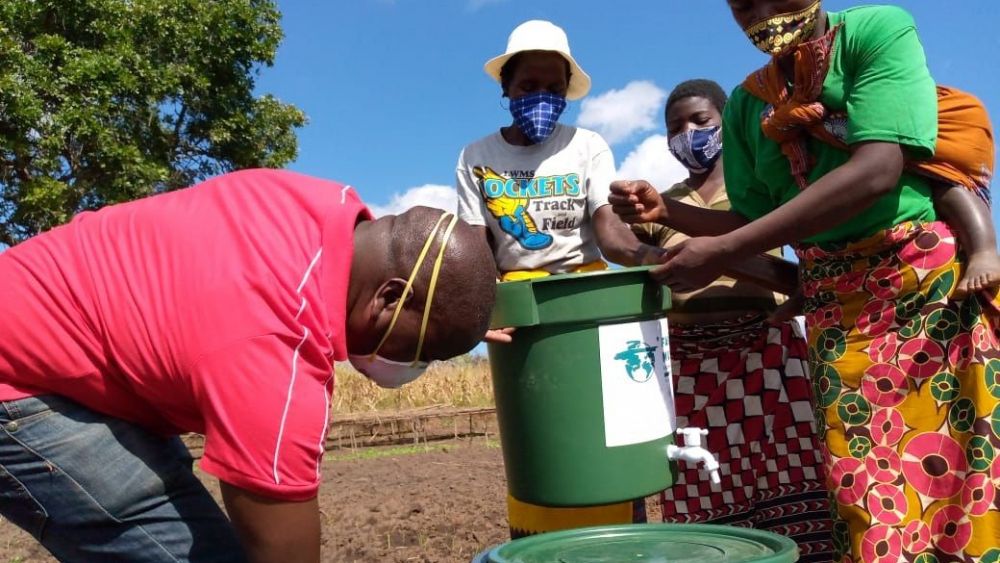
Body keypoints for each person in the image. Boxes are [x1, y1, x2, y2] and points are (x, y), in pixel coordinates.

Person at [612, 2, 1000, 561]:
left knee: (962, 469)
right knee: (859, 484)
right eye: (744, 2)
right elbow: (751, 220)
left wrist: (723, 251)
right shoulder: (748, 103)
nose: (763, 10)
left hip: (927, 290)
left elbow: (878, 168)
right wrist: (668, 212)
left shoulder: (875, 31)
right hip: (837, 311)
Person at [0, 169, 497, 563]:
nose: (416, 365)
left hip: (75, 359)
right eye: (424, 351)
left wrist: (455, 321)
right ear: (390, 299)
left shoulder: (319, 203)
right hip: (19, 382)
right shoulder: (276, 349)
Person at [455, 20, 663, 536]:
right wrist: (472, 311)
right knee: (542, 442)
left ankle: (619, 538)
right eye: (529, 87)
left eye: (553, 88)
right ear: (506, 89)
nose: (541, 97)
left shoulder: (587, 146)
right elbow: (477, 248)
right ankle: (536, 543)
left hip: (585, 300)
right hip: (521, 311)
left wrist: (651, 260)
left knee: (606, 439)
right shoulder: (477, 156)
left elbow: (609, 234)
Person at [632, 78, 832, 560]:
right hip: (689, 362)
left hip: (766, 347)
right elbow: (643, 269)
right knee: (702, 478)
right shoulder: (659, 204)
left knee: (794, 471)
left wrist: (718, 256)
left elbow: (796, 272)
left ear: (725, 124)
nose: (688, 133)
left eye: (701, 121)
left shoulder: (762, 190)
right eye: (676, 126)